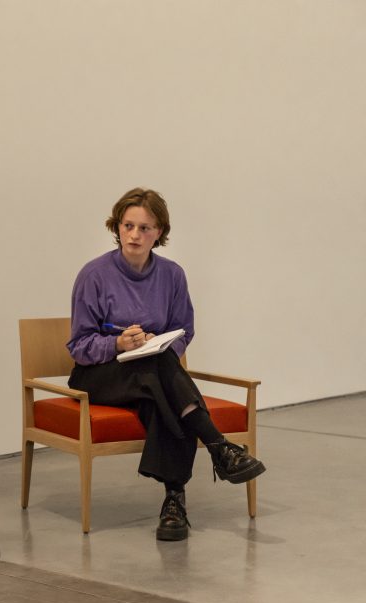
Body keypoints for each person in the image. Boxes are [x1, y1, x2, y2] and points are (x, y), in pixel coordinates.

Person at [66, 188, 265, 541]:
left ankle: (174, 501)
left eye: (145, 228)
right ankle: (218, 448)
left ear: (159, 232)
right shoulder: (93, 275)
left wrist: (159, 345)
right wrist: (117, 343)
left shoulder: (172, 276)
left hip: (150, 376)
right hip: (99, 374)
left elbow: (184, 330)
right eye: (128, 225)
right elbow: (79, 346)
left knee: (159, 391)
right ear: (117, 226)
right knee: (159, 373)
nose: (134, 235)